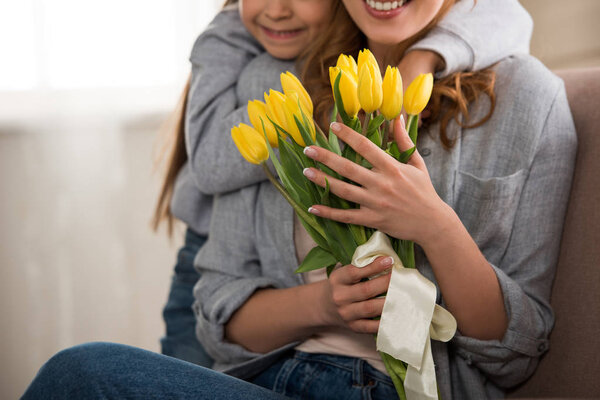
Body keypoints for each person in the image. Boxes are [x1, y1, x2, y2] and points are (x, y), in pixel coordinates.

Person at [20, 1, 552, 399]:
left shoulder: (528, 97)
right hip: (266, 377)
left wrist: (436, 226)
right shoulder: (281, 86)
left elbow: (517, 351)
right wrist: (325, 304)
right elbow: (217, 313)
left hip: (387, 388)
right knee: (82, 374)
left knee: (79, 375)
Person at [152, 0, 533, 369]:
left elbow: (509, 15)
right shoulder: (235, 39)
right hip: (208, 246)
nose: (277, 9)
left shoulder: (508, 77)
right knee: (170, 367)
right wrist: (316, 111)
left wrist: (423, 58)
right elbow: (209, 164)